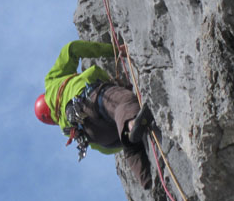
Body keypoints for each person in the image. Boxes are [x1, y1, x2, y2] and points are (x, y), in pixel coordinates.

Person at [35, 40, 154, 189]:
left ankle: (146, 179)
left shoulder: (66, 127)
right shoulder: (52, 83)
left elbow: (104, 148)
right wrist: (115, 51)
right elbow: (71, 49)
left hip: (97, 135)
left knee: (129, 142)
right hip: (88, 99)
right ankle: (130, 123)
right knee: (124, 101)